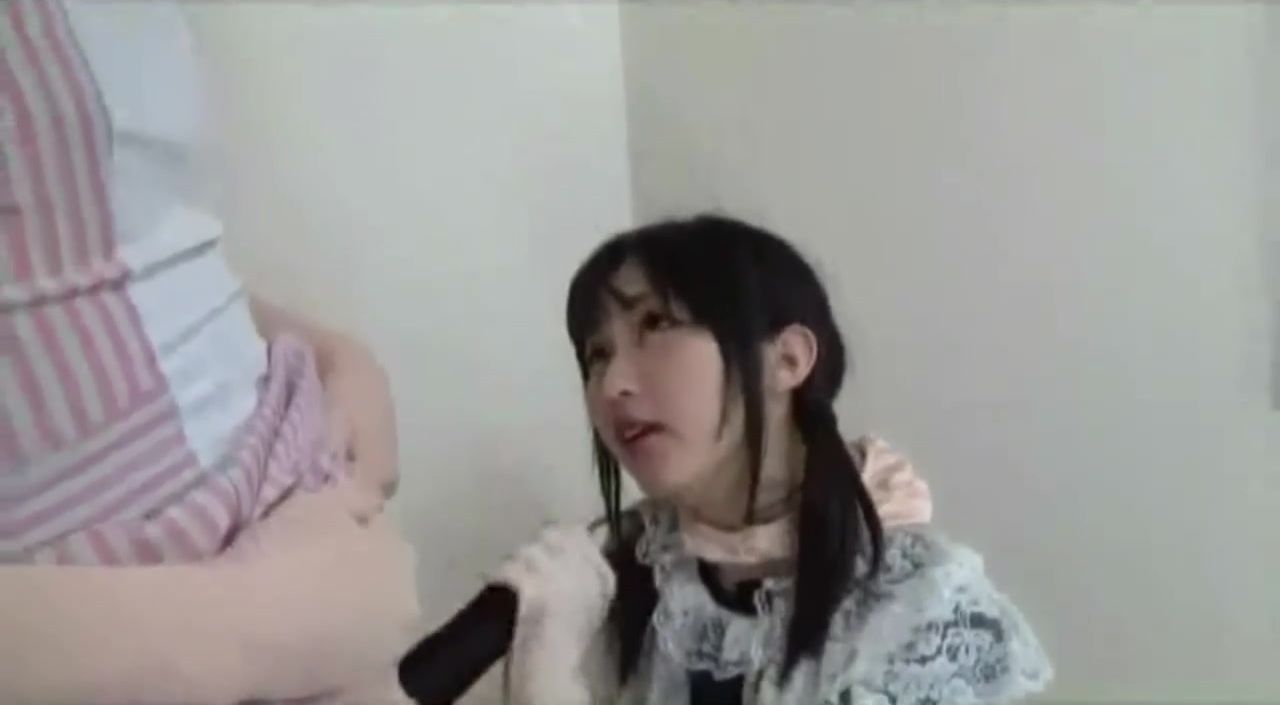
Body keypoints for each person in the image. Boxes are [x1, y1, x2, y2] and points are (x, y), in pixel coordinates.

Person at [1, 1, 419, 702]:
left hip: (305, 533)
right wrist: (251, 623)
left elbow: (111, 257)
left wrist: (337, 359)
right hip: (164, 642)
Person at [492, 215, 1054, 705]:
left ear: (786, 360)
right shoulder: (630, 580)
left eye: (655, 324)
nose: (612, 383)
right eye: (597, 353)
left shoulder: (922, 610)